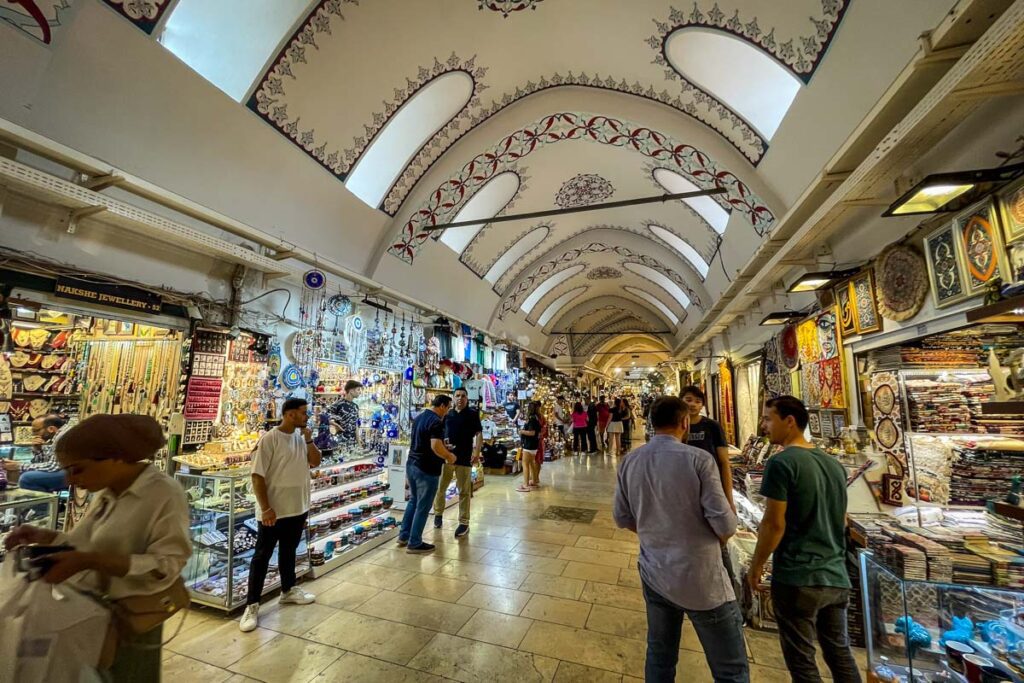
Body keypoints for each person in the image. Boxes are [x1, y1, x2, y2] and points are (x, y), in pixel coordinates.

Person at [4, 414, 191, 680]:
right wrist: (43, 536)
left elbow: (168, 564)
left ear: (116, 457)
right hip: (95, 614)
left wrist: (90, 561)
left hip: (135, 617)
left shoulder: (163, 494)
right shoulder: (107, 491)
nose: (69, 480)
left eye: (77, 469)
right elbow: (82, 542)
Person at [613, 396, 747, 683]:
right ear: (684, 423)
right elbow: (724, 523)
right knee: (730, 669)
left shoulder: (630, 461)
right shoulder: (699, 460)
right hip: (701, 576)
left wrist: (656, 530)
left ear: (650, 423)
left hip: (654, 572)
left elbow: (622, 517)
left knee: (660, 656)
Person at [748, 396, 861, 683]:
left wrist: (757, 564)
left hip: (799, 575)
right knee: (839, 652)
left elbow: (774, 524)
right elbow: (842, 519)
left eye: (768, 418)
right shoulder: (833, 465)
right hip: (835, 575)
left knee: (802, 660)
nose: (764, 425)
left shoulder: (782, 463)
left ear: (790, 421)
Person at [240, 397, 322, 632]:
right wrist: (265, 507)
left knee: (289, 550)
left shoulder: (300, 438)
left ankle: (288, 589)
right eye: (303, 412)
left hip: (297, 507)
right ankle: (252, 604)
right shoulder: (269, 439)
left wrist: (309, 440)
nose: (307, 416)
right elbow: (257, 476)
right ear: (289, 414)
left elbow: (315, 462)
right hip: (274, 511)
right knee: (262, 556)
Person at [399, 394, 456, 553]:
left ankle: (403, 536)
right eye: (448, 407)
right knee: (423, 506)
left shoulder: (419, 418)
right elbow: (435, 446)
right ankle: (415, 542)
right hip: (427, 468)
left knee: (414, 500)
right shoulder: (436, 421)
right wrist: (449, 456)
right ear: (443, 406)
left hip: (412, 464)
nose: (448, 411)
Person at [433, 387, 481, 538]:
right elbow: (438, 435)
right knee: (441, 488)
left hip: (465, 458)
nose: (460, 398)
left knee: (465, 492)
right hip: (446, 457)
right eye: (458, 396)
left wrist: (477, 453)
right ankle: (438, 514)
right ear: (453, 398)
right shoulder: (447, 415)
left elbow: (479, 434)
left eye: (463, 396)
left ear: (467, 398)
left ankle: (464, 522)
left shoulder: (473, 414)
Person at [681, 386, 734, 511]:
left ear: (702, 406)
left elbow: (724, 463)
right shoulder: (674, 427)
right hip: (683, 486)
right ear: (680, 401)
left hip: (711, 484)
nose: (693, 404)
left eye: (698, 401)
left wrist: (729, 500)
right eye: (688, 400)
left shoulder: (712, 426)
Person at [1, 414, 68, 493]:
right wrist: (39, 450)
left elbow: (52, 467)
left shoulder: (62, 437)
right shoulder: (57, 436)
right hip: (68, 470)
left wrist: (19, 466)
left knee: (28, 478)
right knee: (29, 473)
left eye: (36, 431)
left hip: (75, 472)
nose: (34, 434)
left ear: (51, 429)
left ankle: (41, 505)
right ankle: (48, 504)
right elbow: (44, 464)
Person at [328, 379, 362, 445]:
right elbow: (323, 417)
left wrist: (359, 442)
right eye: (358, 389)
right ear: (351, 391)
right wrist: (336, 425)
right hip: (339, 442)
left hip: (352, 443)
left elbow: (356, 425)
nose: (360, 392)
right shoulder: (338, 405)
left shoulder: (355, 406)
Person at [517, 402, 541, 492]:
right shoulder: (537, 418)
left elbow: (532, 432)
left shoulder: (532, 419)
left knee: (525, 464)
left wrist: (522, 431)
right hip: (534, 444)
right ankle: (534, 481)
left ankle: (525, 484)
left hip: (529, 444)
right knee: (531, 463)